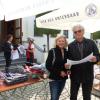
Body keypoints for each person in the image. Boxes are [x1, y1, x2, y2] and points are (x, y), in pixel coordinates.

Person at [66, 25, 100, 100]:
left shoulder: (91, 42)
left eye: (79, 31)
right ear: (74, 34)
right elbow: (69, 60)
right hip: (75, 75)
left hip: (88, 74)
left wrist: (96, 59)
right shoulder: (70, 45)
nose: (77, 33)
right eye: (75, 32)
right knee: (73, 96)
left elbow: (98, 55)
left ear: (83, 31)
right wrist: (68, 68)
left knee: (87, 97)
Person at [46, 34, 68, 100]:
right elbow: (48, 65)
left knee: (57, 96)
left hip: (63, 78)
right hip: (54, 79)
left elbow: (68, 65)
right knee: (54, 98)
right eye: (59, 41)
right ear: (56, 42)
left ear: (65, 42)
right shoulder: (52, 51)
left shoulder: (66, 52)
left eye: (63, 41)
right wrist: (59, 72)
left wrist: (68, 70)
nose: (61, 42)